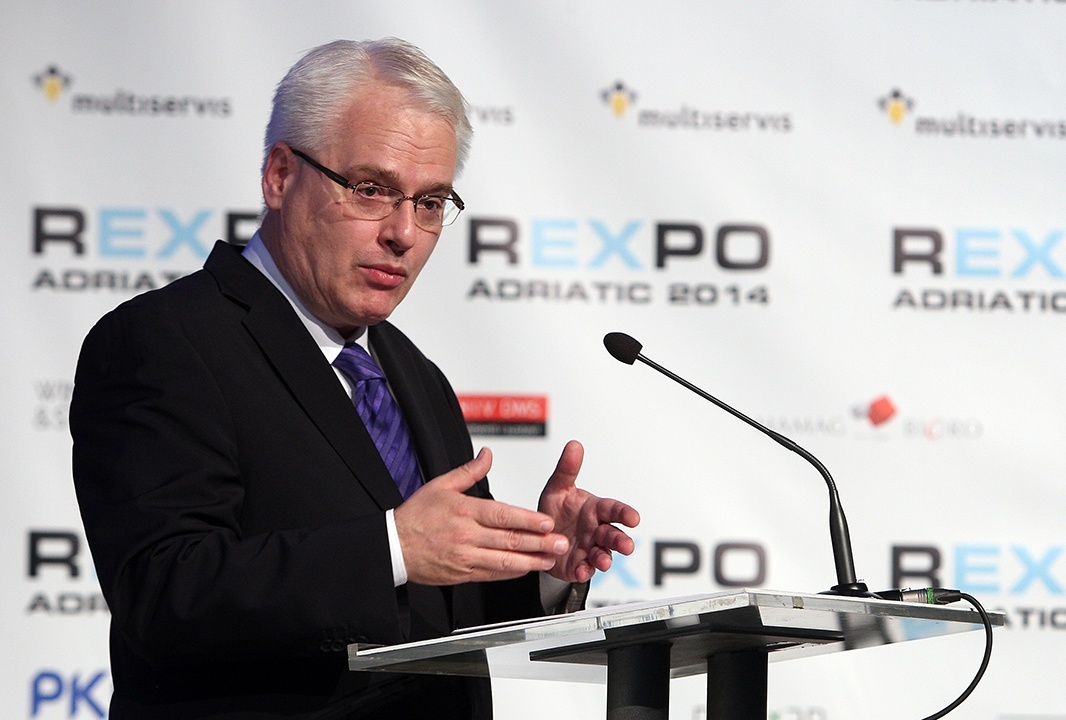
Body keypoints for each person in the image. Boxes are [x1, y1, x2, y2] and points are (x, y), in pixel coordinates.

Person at [69, 38, 639, 720]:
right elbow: (165, 594)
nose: (404, 233)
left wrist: (540, 565)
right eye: (371, 189)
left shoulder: (413, 373)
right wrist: (394, 546)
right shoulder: (164, 340)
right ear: (280, 175)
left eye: (430, 202)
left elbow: (433, 612)